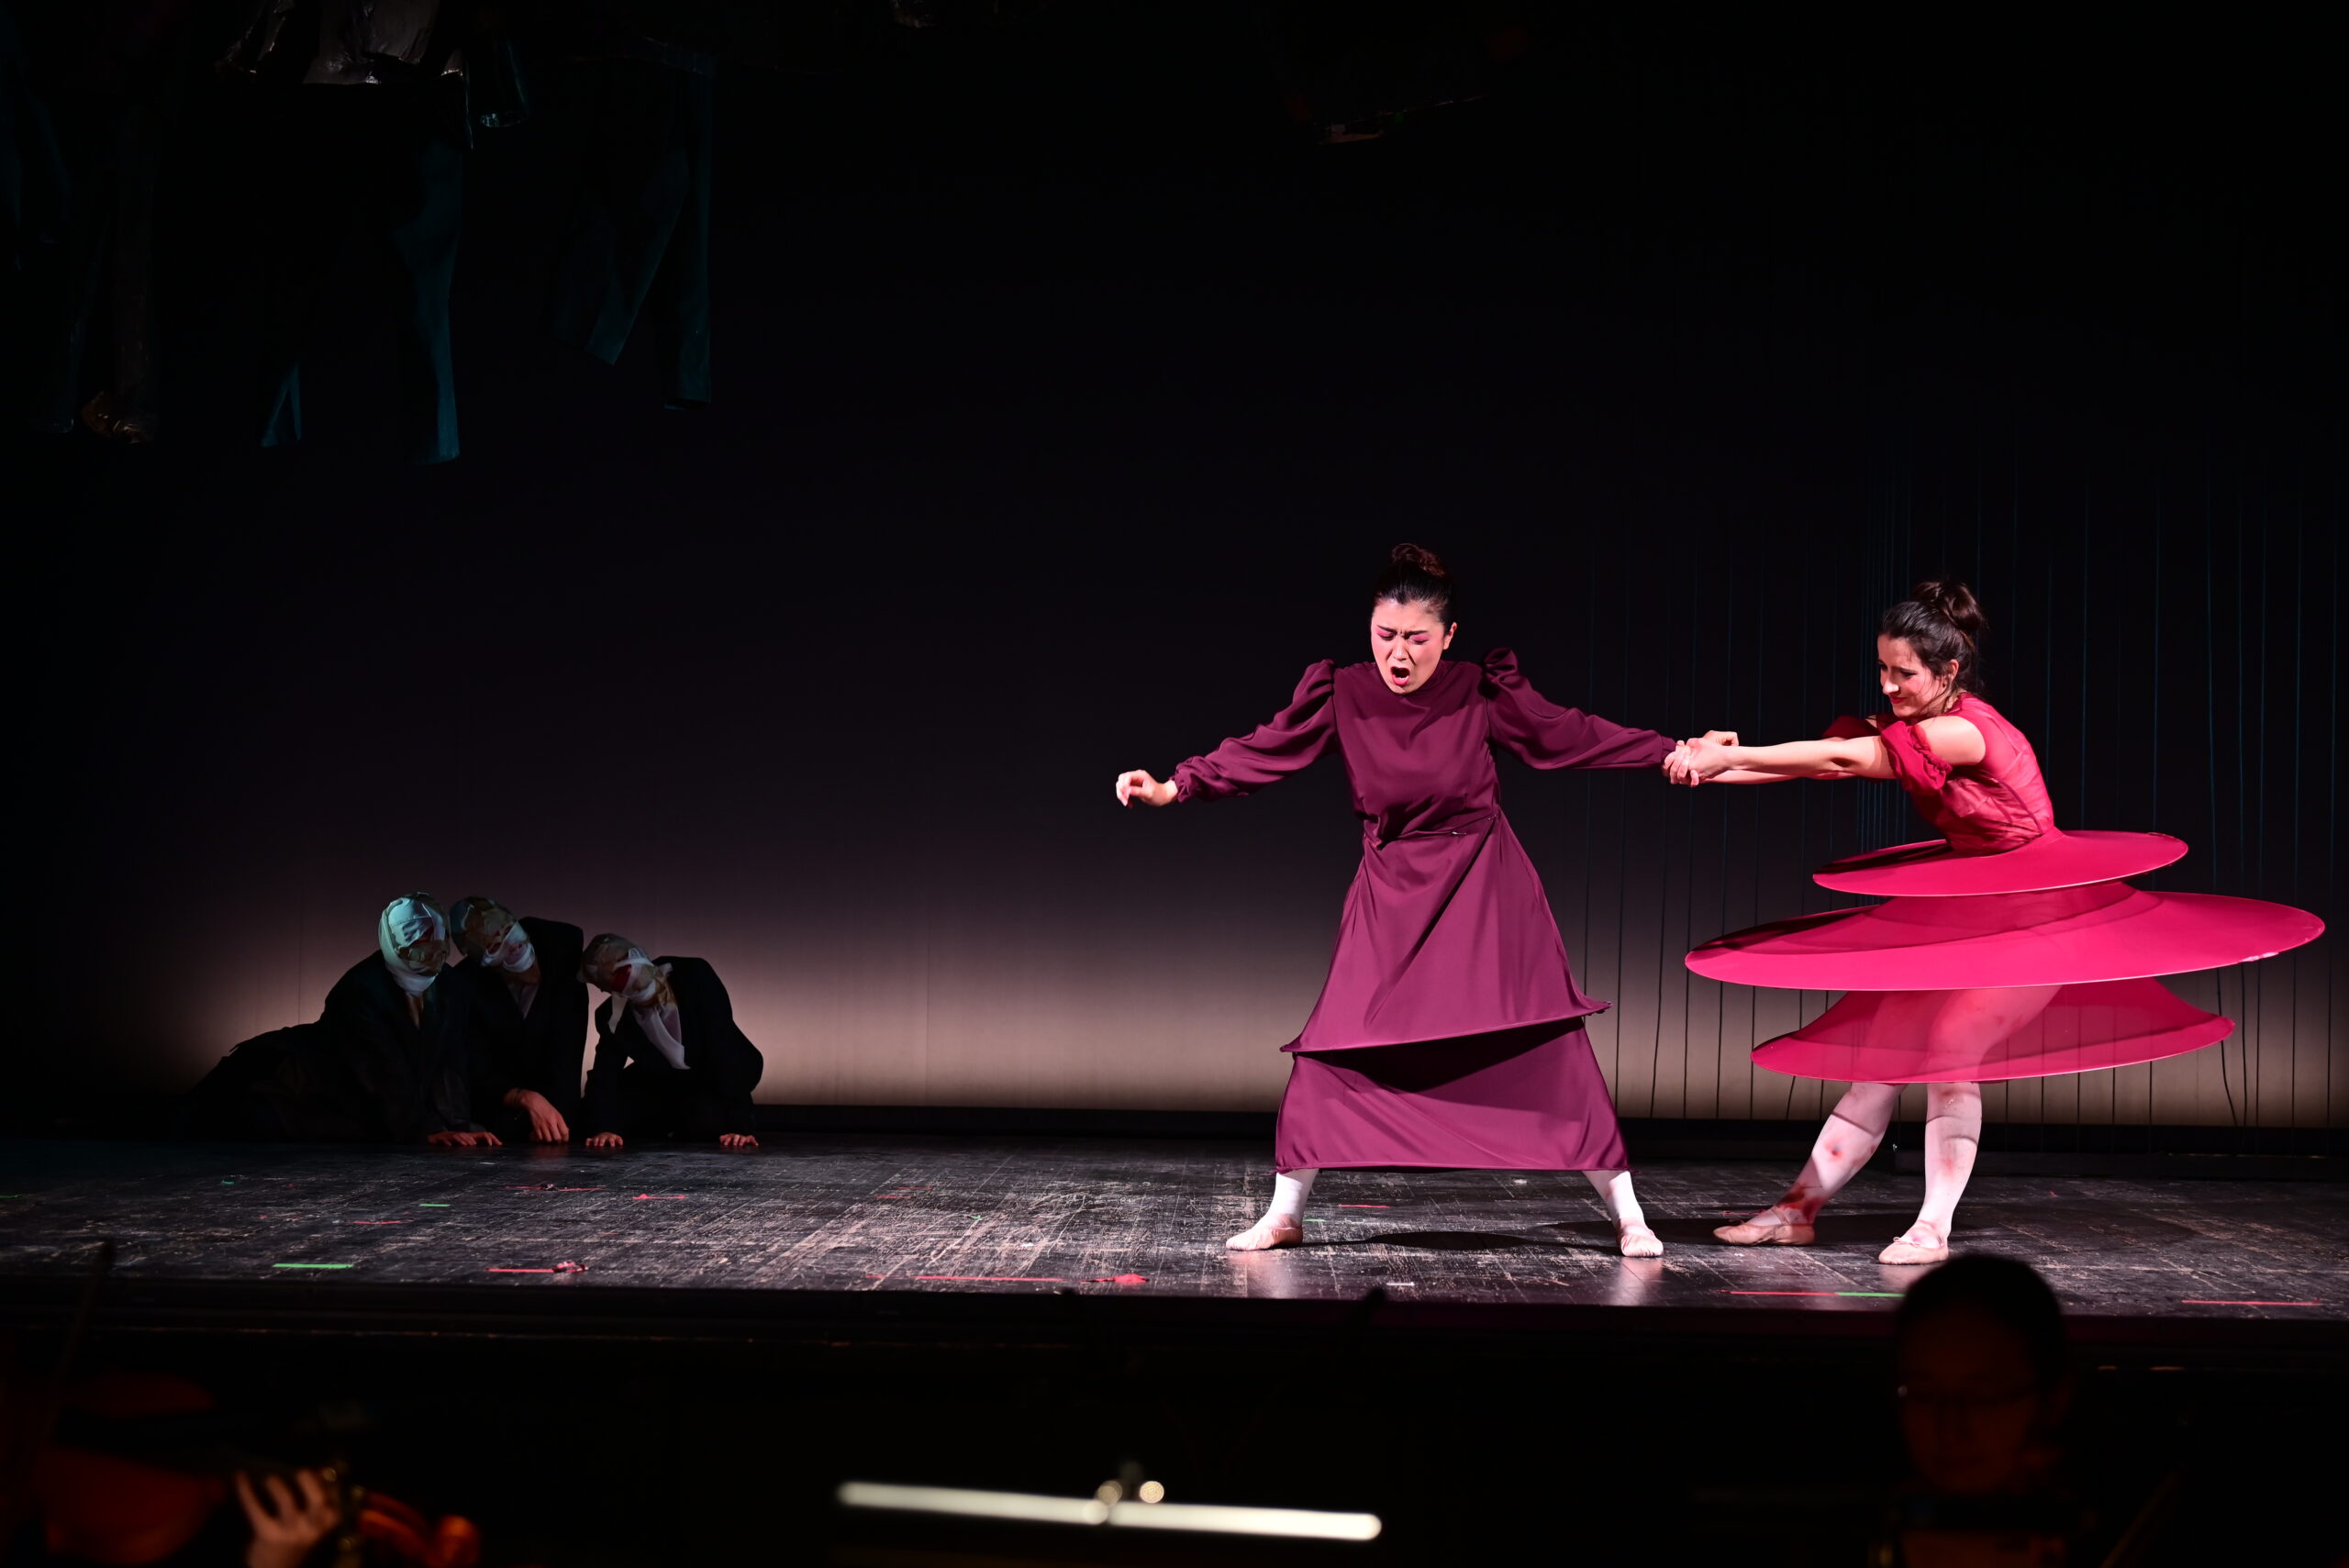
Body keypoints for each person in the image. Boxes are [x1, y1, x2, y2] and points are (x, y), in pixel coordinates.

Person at [1671, 581, 2321, 1263]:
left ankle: (1932, 1228)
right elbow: (1827, 761)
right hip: (1969, 913)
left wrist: (1732, 756)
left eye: (1903, 673)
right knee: (1881, 1056)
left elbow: (1844, 757)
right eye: (1882, 669)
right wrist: (1710, 768)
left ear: (1948, 671)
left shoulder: (1965, 730)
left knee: (1951, 1051)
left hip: (2040, 922)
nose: (1887, 686)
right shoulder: (1918, 723)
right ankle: (1797, 1210)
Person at [1116, 544, 1707, 1256]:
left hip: (1484, 886)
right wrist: (1175, 785)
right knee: (1334, 1045)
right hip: (1390, 890)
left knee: (1543, 1042)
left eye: (1417, 638)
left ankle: (1629, 1213)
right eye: (1385, 635)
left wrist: (1668, 749)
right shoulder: (1343, 693)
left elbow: (1567, 733)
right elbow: (1262, 749)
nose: (1399, 653)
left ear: (1449, 636)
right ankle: (1285, 1212)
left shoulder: (1478, 691)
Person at [245, 894, 500, 1145]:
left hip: (381, 1111)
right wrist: (423, 1129)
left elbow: (450, 1061)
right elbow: (380, 1069)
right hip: (307, 1095)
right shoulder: (359, 990)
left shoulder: (451, 985)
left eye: (437, 934)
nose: (431, 944)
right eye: (420, 935)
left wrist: (458, 1128)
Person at [577, 936, 762, 1148]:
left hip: (720, 1072)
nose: (628, 974)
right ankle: (669, 1121)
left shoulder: (694, 975)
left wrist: (741, 1126)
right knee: (586, 1114)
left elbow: (723, 1048)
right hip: (665, 1079)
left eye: (625, 963)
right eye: (617, 976)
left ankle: (678, 1121)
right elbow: (605, 1072)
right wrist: (604, 1127)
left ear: (636, 954)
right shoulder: (611, 1015)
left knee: (702, 1121)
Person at [448, 896, 589, 1144]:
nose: (512, 945)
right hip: (501, 1112)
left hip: (555, 1111)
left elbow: (567, 1051)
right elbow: (476, 1066)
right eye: (494, 944)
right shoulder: (466, 986)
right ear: (482, 961)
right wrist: (522, 1098)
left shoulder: (562, 954)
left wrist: (558, 1124)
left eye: (507, 929)